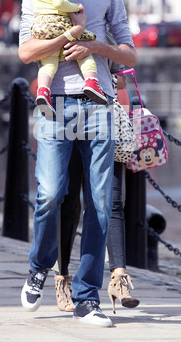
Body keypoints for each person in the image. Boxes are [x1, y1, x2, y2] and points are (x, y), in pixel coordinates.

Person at [18, 0, 137, 328]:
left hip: (98, 103)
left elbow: (130, 54)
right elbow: (26, 52)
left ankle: (88, 297)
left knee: (101, 203)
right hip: (54, 105)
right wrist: (64, 41)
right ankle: (39, 266)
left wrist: (94, 43)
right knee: (50, 193)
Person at [55, 69, 140, 315]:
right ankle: (62, 278)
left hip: (107, 113)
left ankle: (119, 277)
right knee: (69, 201)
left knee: (111, 200)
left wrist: (104, 68)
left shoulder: (107, 29)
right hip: (69, 113)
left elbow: (124, 73)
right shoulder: (61, 30)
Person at [18, 0, 107, 116]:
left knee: (49, 62)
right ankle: (91, 82)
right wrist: (76, 7)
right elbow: (59, 3)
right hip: (57, 22)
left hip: (40, 27)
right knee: (85, 46)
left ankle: (43, 90)